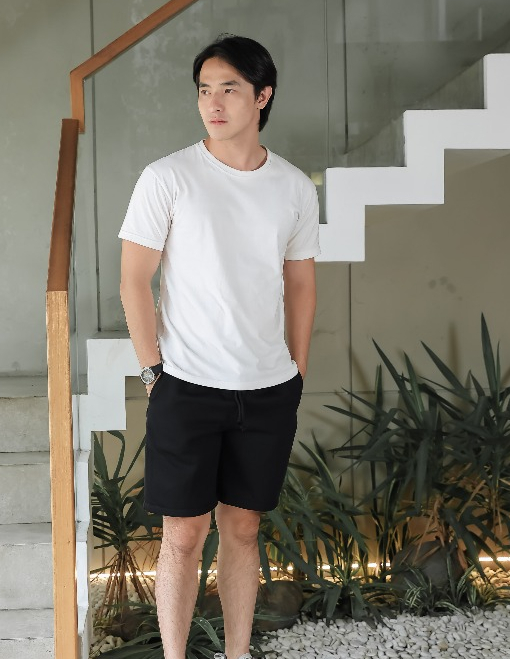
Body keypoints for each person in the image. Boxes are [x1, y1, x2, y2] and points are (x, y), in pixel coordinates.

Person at [118, 34, 319, 659]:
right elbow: (134, 279)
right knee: (182, 536)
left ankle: (237, 653)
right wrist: (152, 371)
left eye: (229, 89)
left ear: (262, 96)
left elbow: (301, 283)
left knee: (244, 529)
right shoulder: (168, 177)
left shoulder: (293, 187)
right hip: (185, 385)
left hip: (267, 389)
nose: (213, 102)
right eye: (205, 90)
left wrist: (297, 371)